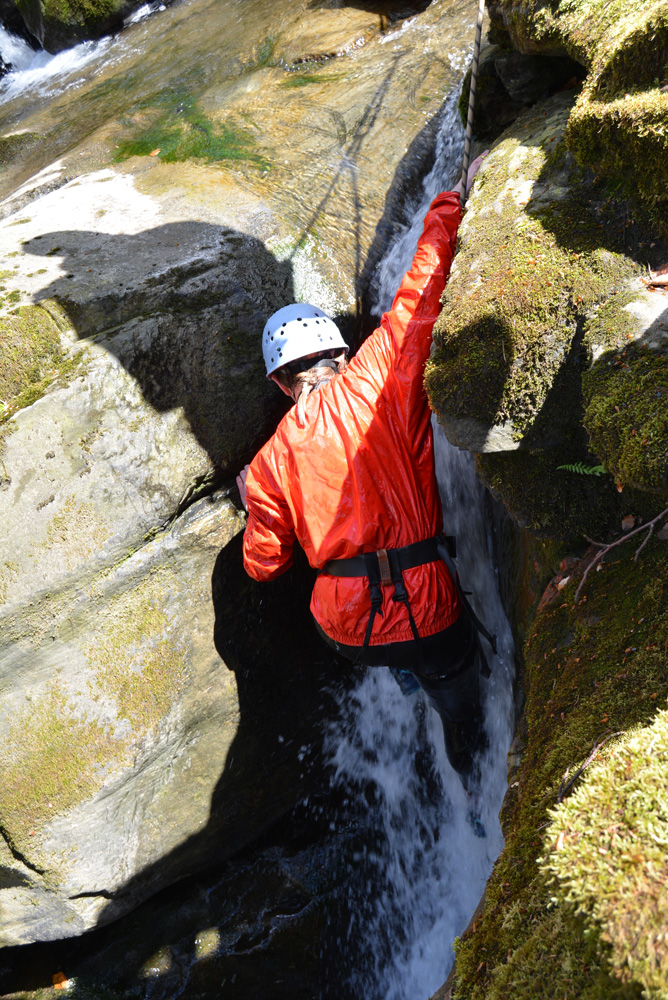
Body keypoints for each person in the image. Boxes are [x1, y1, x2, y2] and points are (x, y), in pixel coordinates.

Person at [237, 159, 491, 834]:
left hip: (346, 628)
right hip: (426, 601)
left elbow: (264, 566)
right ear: (340, 353)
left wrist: (253, 505)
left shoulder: (266, 465)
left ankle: (408, 682)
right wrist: (451, 200)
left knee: (399, 650)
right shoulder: (380, 372)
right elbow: (420, 292)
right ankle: (474, 782)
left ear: (282, 384)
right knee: (463, 687)